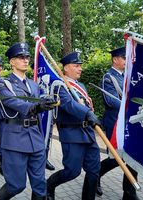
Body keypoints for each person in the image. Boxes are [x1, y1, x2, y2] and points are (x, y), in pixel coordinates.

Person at [0, 42, 56, 200]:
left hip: (35, 138)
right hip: (15, 139)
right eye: (20, 57)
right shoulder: (4, 83)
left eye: (27, 57)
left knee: (40, 185)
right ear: (12, 62)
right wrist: (37, 106)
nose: (25, 60)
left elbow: (39, 103)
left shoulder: (34, 85)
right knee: (16, 186)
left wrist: (47, 103)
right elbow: (15, 103)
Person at [47, 52, 101, 200]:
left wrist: (89, 114)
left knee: (94, 170)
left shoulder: (80, 85)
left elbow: (85, 104)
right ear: (65, 68)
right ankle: (49, 185)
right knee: (72, 171)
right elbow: (69, 105)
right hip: (72, 134)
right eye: (76, 66)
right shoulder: (59, 85)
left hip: (88, 133)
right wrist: (87, 114)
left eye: (80, 66)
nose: (80, 69)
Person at [97, 47, 139, 200]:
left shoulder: (127, 76)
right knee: (116, 158)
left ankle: (129, 192)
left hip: (128, 123)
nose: (126, 60)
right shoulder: (109, 77)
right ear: (115, 59)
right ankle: (95, 176)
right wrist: (130, 105)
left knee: (133, 157)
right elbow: (111, 100)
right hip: (114, 123)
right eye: (124, 57)